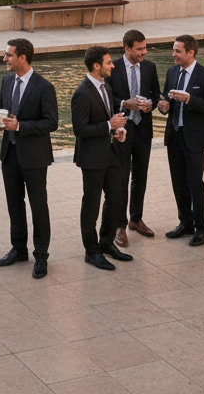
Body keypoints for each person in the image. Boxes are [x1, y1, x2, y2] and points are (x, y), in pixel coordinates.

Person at [0, 37, 58, 279]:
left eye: (8, 55)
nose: (4, 59)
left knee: (38, 206)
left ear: (22, 57)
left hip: (34, 157)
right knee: (14, 204)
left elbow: (52, 122)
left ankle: (41, 256)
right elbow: (1, 105)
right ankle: (19, 249)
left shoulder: (44, 86)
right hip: (9, 154)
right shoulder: (6, 80)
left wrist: (20, 126)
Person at [71, 45, 132, 270]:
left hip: (111, 153)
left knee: (115, 199)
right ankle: (91, 251)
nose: (113, 65)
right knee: (91, 204)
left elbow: (106, 120)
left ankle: (106, 243)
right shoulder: (81, 93)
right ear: (96, 65)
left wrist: (117, 131)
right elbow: (80, 130)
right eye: (108, 62)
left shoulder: (105, 85)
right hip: (92, 158)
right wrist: (109, 125)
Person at [158, 33, 204, 247]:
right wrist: (163, 106)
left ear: (190, 52)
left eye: (177, 51)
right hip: (174, 136)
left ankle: (202, 228)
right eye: (173, 50)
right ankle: (185, 222)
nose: (173, 54)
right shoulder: (171, 71)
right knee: (178, 183)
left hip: (195, 138)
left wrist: (190, 99)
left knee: (195, 184)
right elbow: (166, 98)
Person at [108, 29, 160, 245]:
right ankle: (119, 225)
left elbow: (156, 94)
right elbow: (107, 96)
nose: (144, 52)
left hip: (143, 129)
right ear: (127, 48)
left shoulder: (149, 67)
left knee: (141, 175)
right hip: (122, 130)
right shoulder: (113, 67)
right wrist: (123, 104)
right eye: (139, 49)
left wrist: (151, 104)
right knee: (121, 177)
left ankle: (135, 219)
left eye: (145, 48)